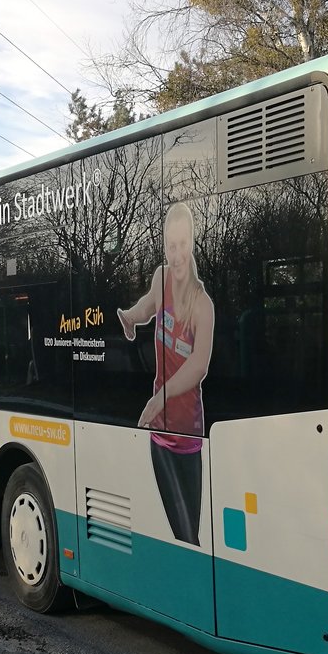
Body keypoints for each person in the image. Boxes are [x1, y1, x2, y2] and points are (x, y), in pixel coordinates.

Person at [117, 201, 214, 546]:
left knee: (193, 535)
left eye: (182, 244)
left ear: (192, 242)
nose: (176, 255)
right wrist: (129, 316)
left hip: (190, 434)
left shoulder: (203, 305)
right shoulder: (161, 278)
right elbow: (147, 305)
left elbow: (199, 365)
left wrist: (159, 399)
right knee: (184, 534)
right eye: (170, 246)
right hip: (160, 434)